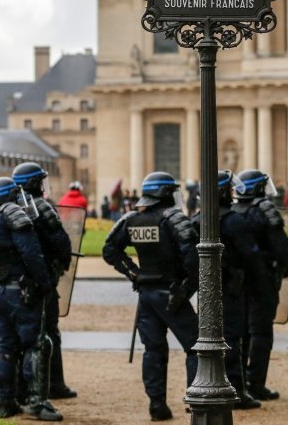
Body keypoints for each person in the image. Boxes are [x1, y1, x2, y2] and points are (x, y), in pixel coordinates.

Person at [102, 171, 199, 421]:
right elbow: (192, 257)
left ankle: (157, 404)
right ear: (167, 194)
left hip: (146, 294)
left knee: (153, 350)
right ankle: (197, 402)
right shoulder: (174, 218)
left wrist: (134, 274)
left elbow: (110, 249)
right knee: (197, 346)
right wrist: (187, 287)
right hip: (171, 292)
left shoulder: (132, 219)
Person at [0, 177, 62, 421]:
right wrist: (44, 283)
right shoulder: (13, 213)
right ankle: (37, 403)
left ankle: (5, 401)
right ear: (11, 195)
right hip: (20, 290)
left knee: (6, 345)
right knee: (37, 343)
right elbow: (30, 252)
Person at [193, 170, 264, 410]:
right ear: (224, 192)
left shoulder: (197, 220)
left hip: (205, 290)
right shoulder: (235, 221)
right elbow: (252, 257)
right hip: (233, 289)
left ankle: (199, 388)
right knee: (234, 338)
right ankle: (236, 391)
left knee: (203, 339)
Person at [12, 162, 77, 400]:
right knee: (50, 332)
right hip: (43, 279)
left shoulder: (8, 208)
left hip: (16, 282)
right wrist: (61, 264)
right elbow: (61, 242)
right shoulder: (43, 207)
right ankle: (54, 384)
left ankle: (11, 389)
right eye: (40, 182)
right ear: (33, 184)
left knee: (17, 335)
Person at [233, 168, 288, 401]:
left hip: (238, 281)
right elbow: (282, 246)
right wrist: (283, 268)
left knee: (242, 332)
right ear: (259, 187)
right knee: (261, 333)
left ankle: (240, 383)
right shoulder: (264, 209)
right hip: (262, 280)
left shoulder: (234, 210)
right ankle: (256, 383)